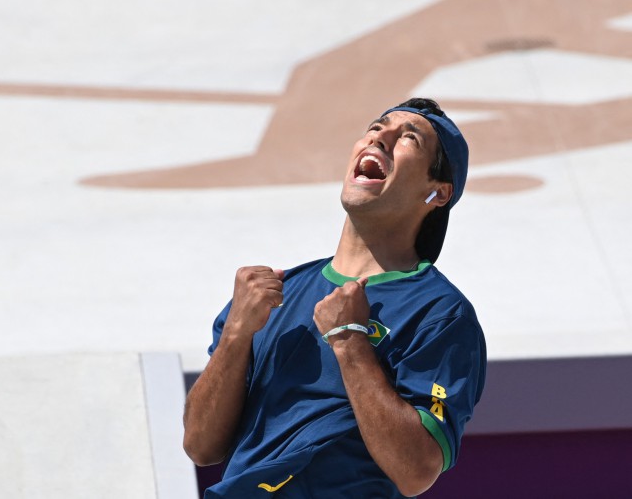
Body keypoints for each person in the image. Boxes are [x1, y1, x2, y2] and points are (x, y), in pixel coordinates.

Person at [183, 98, 487, 498]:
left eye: (408, 138)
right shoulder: (277, 292)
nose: (379, 138)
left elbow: (416, 470)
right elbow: (200, 445)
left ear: (438, 193)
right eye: (376, 127)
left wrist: (349, 340)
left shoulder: (441, 313)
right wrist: (235, 335)